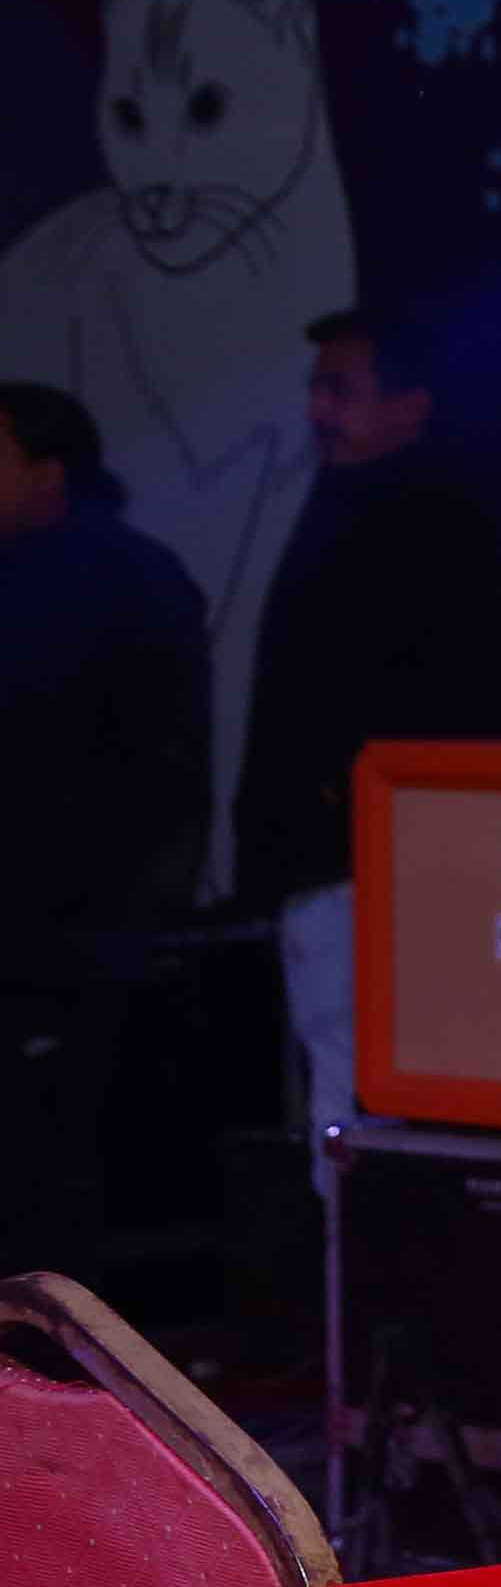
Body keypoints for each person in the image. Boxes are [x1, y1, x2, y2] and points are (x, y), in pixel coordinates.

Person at [234, 309, 501, 1154]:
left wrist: (337, 803)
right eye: (316, 389)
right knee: (343, 1082)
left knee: (356, 1091)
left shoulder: (428, 520)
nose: (317, 410)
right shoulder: (351, 505)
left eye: (340, 389)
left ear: (410, 404)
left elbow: (444, 699)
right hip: (339, 862)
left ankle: (355, 1239)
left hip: (372, 867)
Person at [0, 380, 210, 1272]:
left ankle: (48, 1341)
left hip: (61, 935)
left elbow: (107, 764)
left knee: (47, 1170)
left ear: (48, 472)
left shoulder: (95, 582)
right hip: (78, 927)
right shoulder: (112, 573)